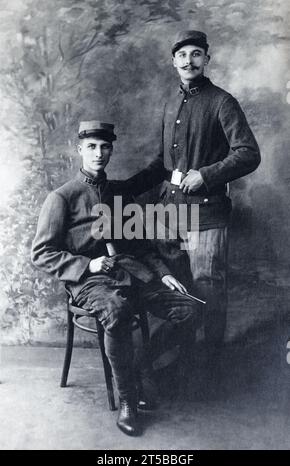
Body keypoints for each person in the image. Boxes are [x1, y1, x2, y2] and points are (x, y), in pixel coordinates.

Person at [31, 120, 201, 437]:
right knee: (117, 312)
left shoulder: (118, 193)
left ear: (111, 150)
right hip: (88, 281)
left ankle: (138, 368)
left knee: (190, 309)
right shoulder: (62, 197)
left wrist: (163, 275)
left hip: (130, 272)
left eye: (105, 146)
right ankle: (128, 402)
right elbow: (42, 253)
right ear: (79, 149)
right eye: (92, 147)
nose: (99, 153)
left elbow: (138, 245)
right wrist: (88, 266)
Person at [124, 30, 261, 392]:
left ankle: (210, 369)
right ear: (173, 62)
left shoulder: (222, 102)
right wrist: (122, 189)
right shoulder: (170, 105)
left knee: (209, 291)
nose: (189, 61)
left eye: (196, 54)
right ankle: (183, 361)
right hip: (170, 214)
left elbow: (248, 153)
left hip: (207, 215)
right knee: (179, 289)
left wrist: (207, 175)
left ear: (207, 59)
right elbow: (161, 165)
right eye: (182, 55)